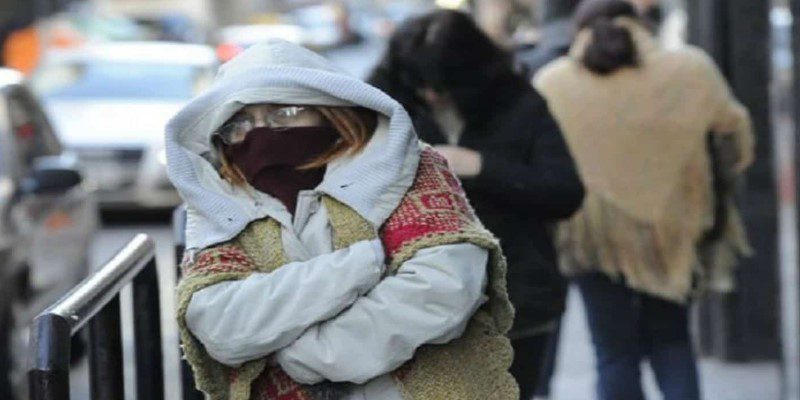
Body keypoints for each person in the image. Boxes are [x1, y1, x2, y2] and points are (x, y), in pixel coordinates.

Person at [167, 39, 519, 400]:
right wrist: (360, 265)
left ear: (330, 111)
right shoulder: (219, 202)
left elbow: (444, 287)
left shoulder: (411, 166)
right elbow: (220, 323)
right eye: (240, 122)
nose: (261, 133)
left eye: (284, 114)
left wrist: (308, 355)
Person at [534, 1, 754, 399]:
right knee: (672, 342)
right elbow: (734, 133)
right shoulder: (691, 69)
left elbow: (537, 158)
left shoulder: (553, 81)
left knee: (613, 352)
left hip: (591, 235)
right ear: (644, 25)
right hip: (672, 231)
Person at [368, 10, 585, 400]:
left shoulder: (519, 102)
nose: (432, 94)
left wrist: (480, 166)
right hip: (420, 304)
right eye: (421, 84)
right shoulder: (386, 113)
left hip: (519, 297)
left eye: (441, 84)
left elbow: (565, 192)